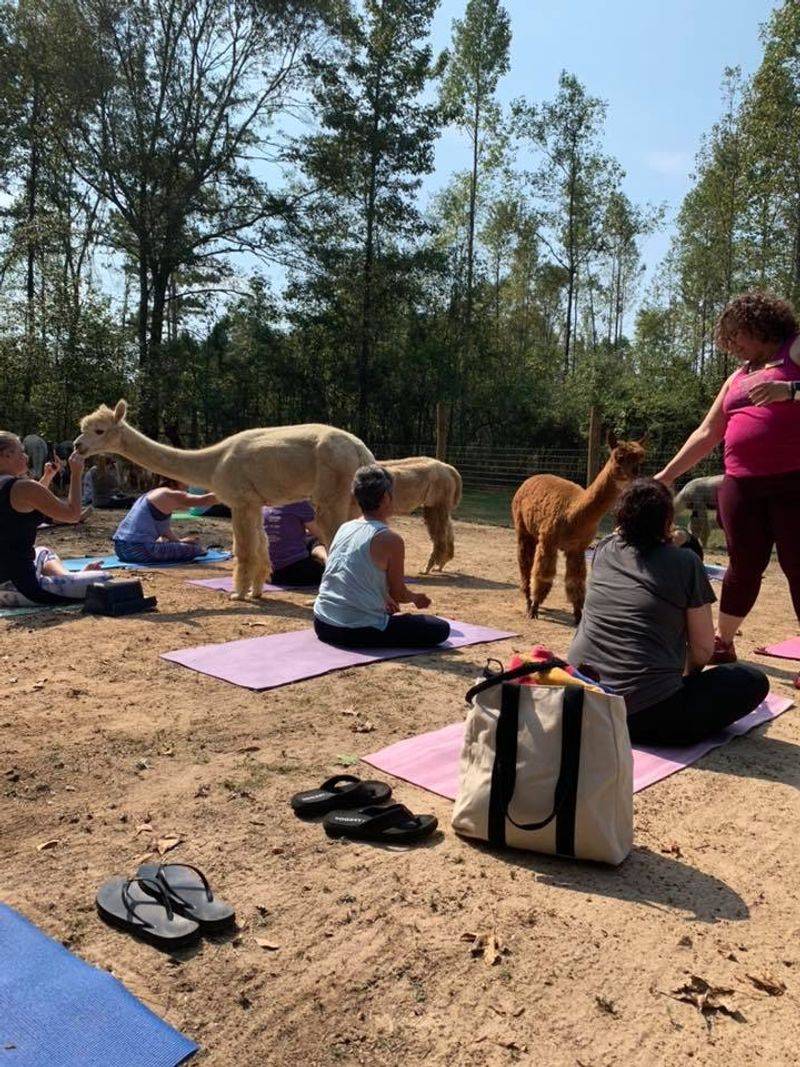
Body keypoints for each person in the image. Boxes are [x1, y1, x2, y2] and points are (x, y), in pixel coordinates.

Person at [655, 290, 800, 663]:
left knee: (797, 565)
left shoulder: (795, 350)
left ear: (761, 326)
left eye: (736, 335)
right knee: (743, 566)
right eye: (728, 338)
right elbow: (707, 433)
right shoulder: (738, 376)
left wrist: (790, 391)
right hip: (741, 485)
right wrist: (666, 475)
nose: (731, 344)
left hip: (793, 482)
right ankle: (724, 642)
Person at [567, 479, 768, 746]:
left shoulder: (604, 549)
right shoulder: (686, 563)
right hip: (646, 715)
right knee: (751, 680)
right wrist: (685, 677)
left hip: (584, 698)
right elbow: (702, 650)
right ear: (667, 521)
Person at [313, 464, 450, 649]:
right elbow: (398, 594)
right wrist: (416, 598)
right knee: (439, 628)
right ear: (386, 497)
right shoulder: (390, 539)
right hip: (353, 630)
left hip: (322, 623)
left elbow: (352, 573)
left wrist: (382, 597)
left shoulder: (345, 527)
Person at [0, 431, 110, 606]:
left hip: (5, 579)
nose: (26, 456)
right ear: (6, 455)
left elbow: (21, 509)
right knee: (104, 579)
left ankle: (67, 577)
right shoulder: (24, 487)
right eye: (21, 451)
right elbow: (73, 515)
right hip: (22, 588)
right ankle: (72, 579)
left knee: (43, 551)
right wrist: (76, 473)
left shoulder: (17, 488)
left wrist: (47, 477)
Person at [113, 479, 218, 564]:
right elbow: (205, 500)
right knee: (194, 549)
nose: (189, 483)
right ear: (176, 480)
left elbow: (164, 529)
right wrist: (225, 490)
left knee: (180, 545)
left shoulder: (154, 493)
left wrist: (179, 541)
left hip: (120, 549)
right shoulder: (168, 494)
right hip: (140, 550)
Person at [262, 502, 328, 587]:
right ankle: (327, 561)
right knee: (316, 541)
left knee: (309, 539)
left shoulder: (264, 505)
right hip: (295, 571)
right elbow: (322, 535)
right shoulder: (299, 504)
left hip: (268, 573)